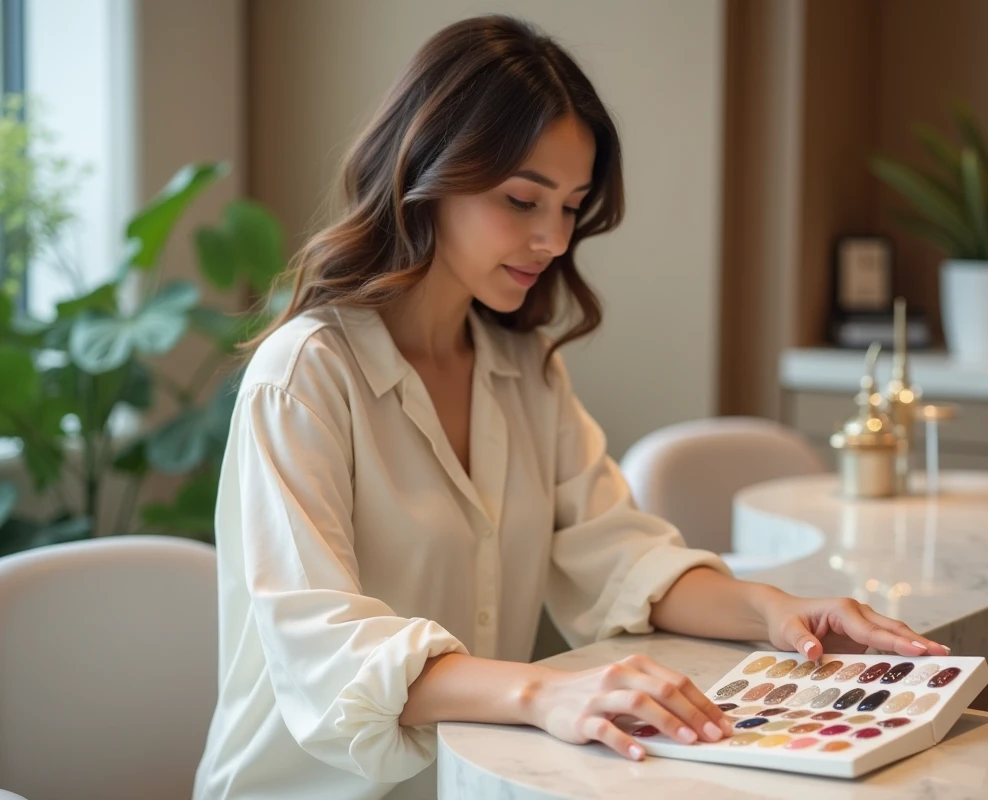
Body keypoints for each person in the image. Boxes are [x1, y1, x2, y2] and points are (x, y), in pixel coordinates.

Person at [192, 15, 949, 800]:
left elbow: (620, 556)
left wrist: (778, 612)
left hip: (474, 782)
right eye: (523, 200)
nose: (553, 240)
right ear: (428, 170)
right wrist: (542, 692)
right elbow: (323, 646)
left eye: (571, 207)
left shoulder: (525, 371)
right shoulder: (305, 377)